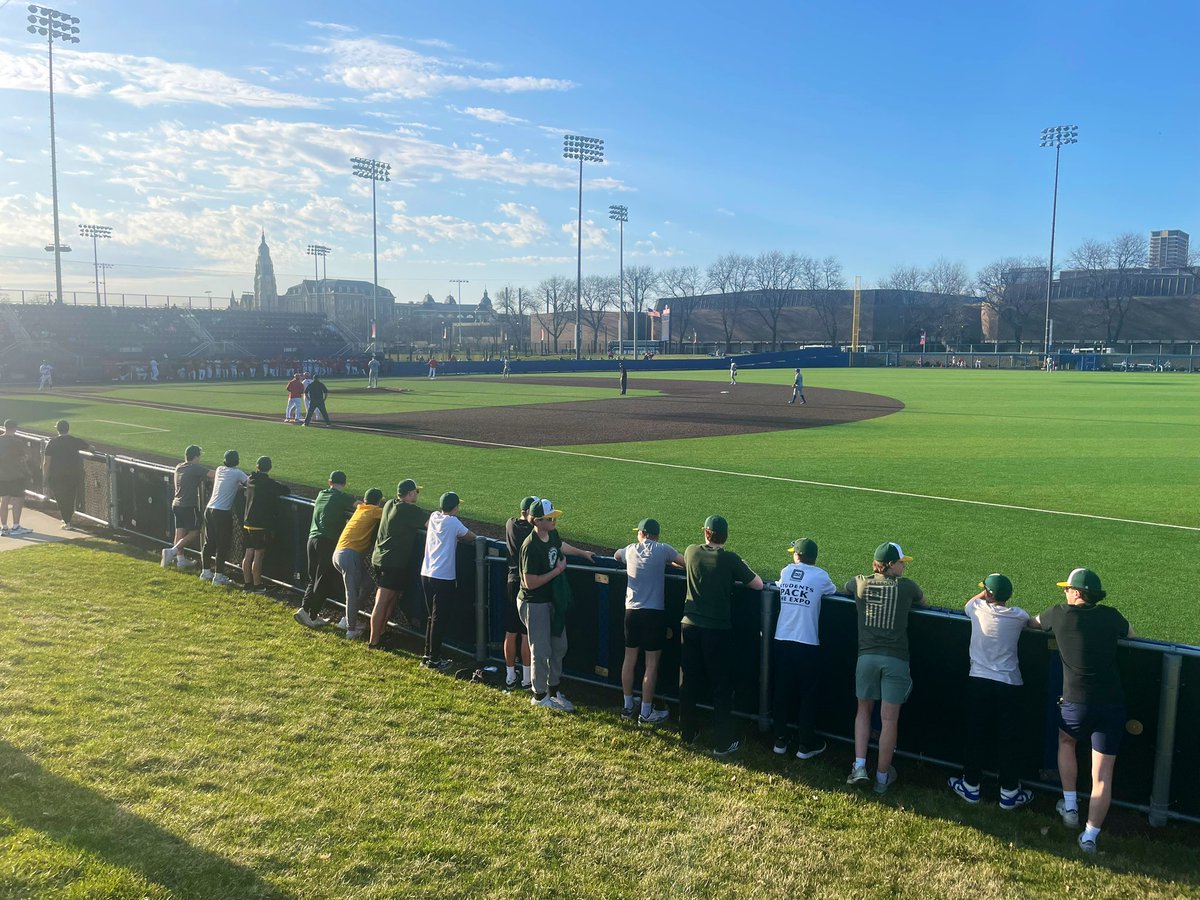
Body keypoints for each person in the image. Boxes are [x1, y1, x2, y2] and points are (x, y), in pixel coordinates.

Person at [1032, 568, 1135, 854]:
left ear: (1076, 593)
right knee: (1102, 775)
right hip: (1111, 703)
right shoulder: (1111, 615)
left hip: (1075, 704)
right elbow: (1133, 634)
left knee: (1066, 742)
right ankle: (1090, 836)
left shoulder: (1059, 613)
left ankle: (1070, 806)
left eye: (1067, 588)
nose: (1064, 592)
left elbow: (1033, 623)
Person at [844, 542, 928, 794]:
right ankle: (882, 778)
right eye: (902, 562)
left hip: (866, 658)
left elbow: (847, 587)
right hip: (895, 660)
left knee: (863, 711)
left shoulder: (861, 582)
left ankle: (859, 767)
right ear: (891, 565)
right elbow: (923, 602)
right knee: (889, 719)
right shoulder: (907, 587)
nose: (904, 565)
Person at [947, 574, 1035, 810]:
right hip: (1009, 685)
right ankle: (1009, 793)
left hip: (979, 683)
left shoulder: (976, 607)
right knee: (1008, 739)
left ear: (988, 594)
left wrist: (985, 592)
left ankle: (971, 786)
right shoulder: (1019, 616)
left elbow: (971, 601)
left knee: (976, 735)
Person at [679, 515, 764, 757]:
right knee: (721, 687)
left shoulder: (691, 551)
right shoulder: (730, 559)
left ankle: (687, 733)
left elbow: (683, 562)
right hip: (716, 631)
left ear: (706, 532)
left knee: (688, 682)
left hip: (689, 626)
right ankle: (722, 742)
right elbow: (757, 584)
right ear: (724, 536)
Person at [518, 499, 595, 712]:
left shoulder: (551, 534)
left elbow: (561, 546)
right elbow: (529, 583)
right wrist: (557, 571)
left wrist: (582, 553)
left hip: (552, 600)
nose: (554, 520)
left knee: (559, 646)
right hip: (535, 603)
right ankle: (540, 696)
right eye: (550, 518)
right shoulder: (530, 545)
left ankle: (553, 691)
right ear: (537, 521)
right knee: (541, 650)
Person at [772, 537, 838, 759]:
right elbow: (831, 591)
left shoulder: (786, 571)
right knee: (807, 695)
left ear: (797, 555)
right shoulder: (820, 576)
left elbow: (780, 585)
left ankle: (780, 740)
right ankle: (805, 745)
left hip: (782, 639)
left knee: (782, 691)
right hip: (807, 643)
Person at [614, 518, 684, 725]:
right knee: (651, 664)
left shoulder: (630, 549)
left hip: (631, 612)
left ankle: (628, 706)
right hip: (654, 614)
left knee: (629, 658)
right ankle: (646, 712)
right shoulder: (664, 550)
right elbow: (684, 562)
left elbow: (616, 555)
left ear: (642, 534)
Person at [419, 491, 477, 670]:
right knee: (438, 619)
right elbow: (472, 537)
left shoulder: (434, 516)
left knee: (432, 618)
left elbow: (431, 523)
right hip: (443, 577)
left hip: (426, 573)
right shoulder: (453, 522)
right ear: (454, 507)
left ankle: (428, 655)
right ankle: (434, 660)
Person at [368, 479, 429, 648]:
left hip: (381, 558)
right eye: (416, 491)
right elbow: (430, 524)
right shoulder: (409, 510)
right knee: (383, 600)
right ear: (410, 493)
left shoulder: (389, 503)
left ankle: (381, 634)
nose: (417, 494)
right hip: (392, 562)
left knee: (390, 598)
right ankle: (373, 642)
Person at [295, 470, 357, 628]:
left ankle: (305, 609)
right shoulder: (341, 496)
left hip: (312, 539)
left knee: (313, 578)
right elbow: (359, 505)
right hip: (327, 541)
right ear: (344, 484)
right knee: (323, 579)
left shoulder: (322, 494)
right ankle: (312, 614)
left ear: (330, 482)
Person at [333, 488, 385, 639]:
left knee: (367, 585)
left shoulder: (360, 508)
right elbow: (390, 514)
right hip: (349, 555)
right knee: (352, 593)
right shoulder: (373, 510)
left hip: (340, 554)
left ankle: (347, 620)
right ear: (378, 501)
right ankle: (351, 629)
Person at [240, 456, 290, 593]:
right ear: (269, 467)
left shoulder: (250, 479)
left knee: (248, 553)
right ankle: (257, 586)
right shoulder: (268, 483)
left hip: (247, 522)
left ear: (257, 466)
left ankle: (247, 584)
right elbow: (285, 490)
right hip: (259, 525)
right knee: (258, 554)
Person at [503, 496, 538, 690]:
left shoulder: (510, 524)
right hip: (526, 583)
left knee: (510, 631)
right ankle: (526, 679)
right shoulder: (532, 531)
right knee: (525, 633)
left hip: (511, 581)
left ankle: (510, 676)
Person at [200, 450, 249, 586]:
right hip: (221, 513)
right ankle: (218, 576)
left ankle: (206, 572)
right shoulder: (237, 473)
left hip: (209, 509)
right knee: (222, 545)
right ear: (236, 461)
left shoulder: (220, 469)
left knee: (209, 542)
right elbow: (250, 483)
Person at [162, 444, 212, 570]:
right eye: (199, 456)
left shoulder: (179, 467)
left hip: (176, 504)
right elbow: (213, 474)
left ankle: (180, 560)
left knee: (180, 532)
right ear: (195, 456)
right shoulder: (195, 468)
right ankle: (172, 552)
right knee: (195, 531)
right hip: (188, 505)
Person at [41, 419, 91, 531]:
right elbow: (90, 447)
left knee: (61, 498)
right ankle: (67, 519)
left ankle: (67, 520)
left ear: (57, 429)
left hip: (57, 475)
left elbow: (46, 462)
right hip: (73, 474)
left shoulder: (52, 443)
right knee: (70, 496)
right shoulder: (74, 440)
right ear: (68, 428)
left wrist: (45, 477)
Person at [0, 420, 32, 536]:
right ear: (14, 428)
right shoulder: (16, 442)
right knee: (18, 500)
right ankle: (16, 526)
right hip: (16, 475)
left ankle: (4, 527)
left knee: (4, 500)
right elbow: (24, 458)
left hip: (2, 476)